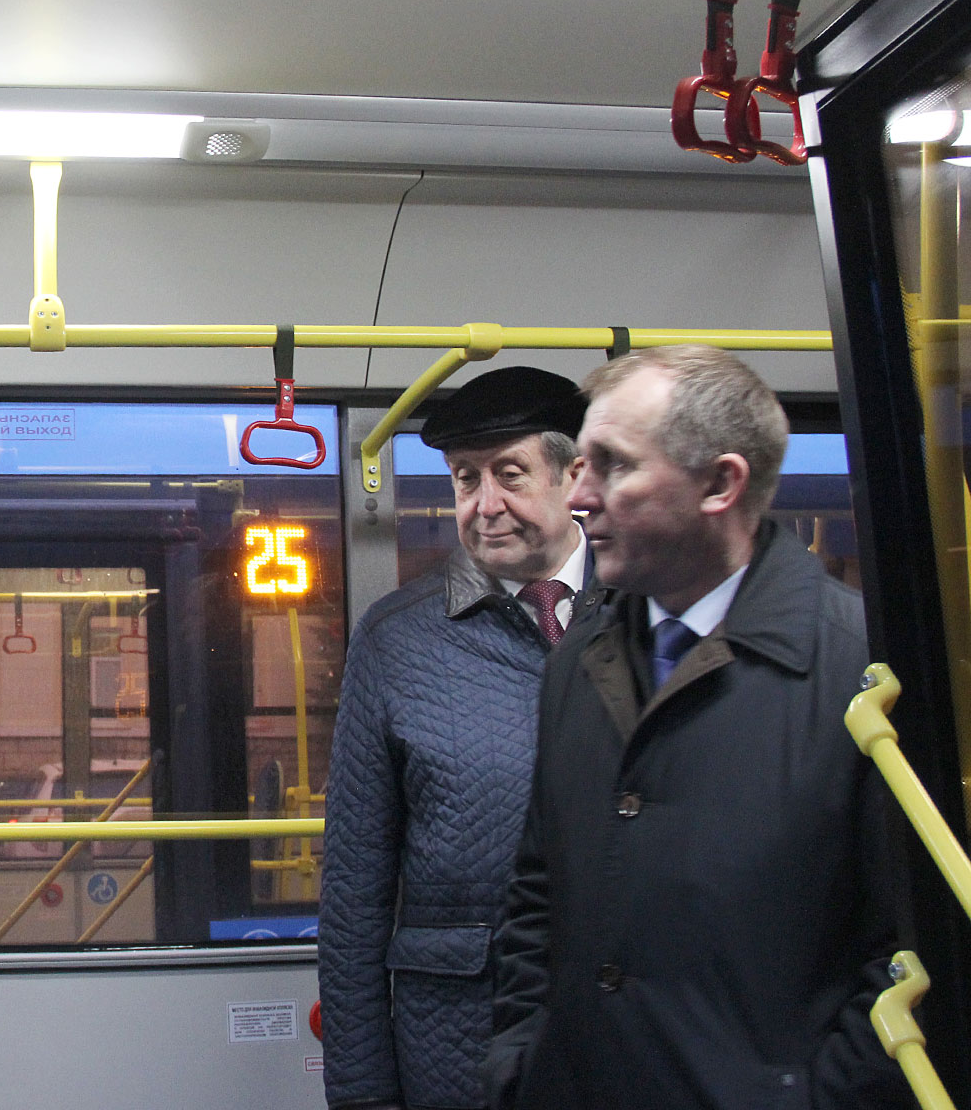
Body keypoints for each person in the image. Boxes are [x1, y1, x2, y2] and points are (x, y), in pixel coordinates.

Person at [481, 346, 907, 1110]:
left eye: (612, 466)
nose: (579, 497)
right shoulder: (579, 659)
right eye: (579, 466)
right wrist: (522, 1063)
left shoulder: (865, 675)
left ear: (720, 484)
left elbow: (911, 952)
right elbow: (538, 897)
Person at [318, 366, 599, 1110]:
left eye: (510, 474)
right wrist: (363, 1095)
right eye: (465, 479)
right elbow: (354, 893)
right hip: (458, 1037)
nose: (485, 505)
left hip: (626, 1035)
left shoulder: (647, 609)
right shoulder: (398, 639)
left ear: (574, 476)